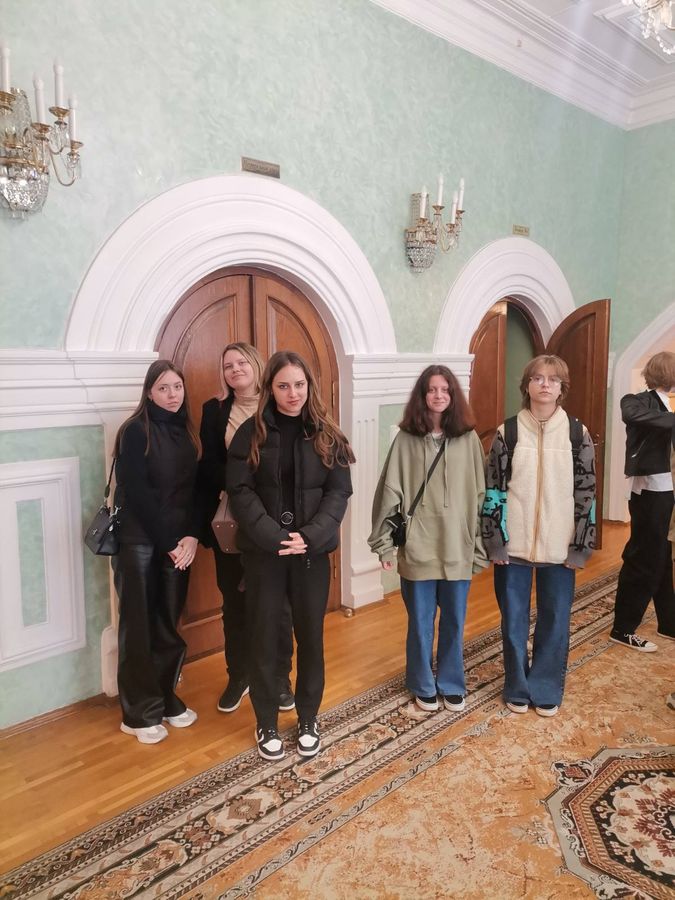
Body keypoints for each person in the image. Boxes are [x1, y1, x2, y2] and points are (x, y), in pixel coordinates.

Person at [227, 350, 354, 761]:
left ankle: (308, 718)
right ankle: (266, 721)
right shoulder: (250, 433)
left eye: (299, 385)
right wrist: (274, 537)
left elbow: (338, 493)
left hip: (309, 555)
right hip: (265, 555)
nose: (292, 393)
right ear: (271, 388)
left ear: (309, 386)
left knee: (311, 639)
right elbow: (240, 492)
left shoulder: (328, 434)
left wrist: (309, 536)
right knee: (264, 638)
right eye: (283, 386)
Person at [481, 354, 596, 717]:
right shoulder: (508, 432)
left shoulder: (577, 433)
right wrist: (495, 541)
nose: (545, 384)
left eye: (553, 379)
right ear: (527, 385)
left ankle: (545, 686)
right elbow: (493, 489)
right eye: (538, 378)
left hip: (560, 546)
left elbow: (587, 493)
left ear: (562, 389)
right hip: (512, 546)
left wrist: (580, 546)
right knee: (513, 621)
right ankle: (517, 686)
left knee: (555, 619)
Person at [369, 365, 488, 713]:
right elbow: (388, 494)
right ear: (422, 396)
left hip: (457, 547)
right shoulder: (405, 441)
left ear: (454, 396)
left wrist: (479, 545)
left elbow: (481, 496)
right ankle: (422, 683)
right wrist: (383, 546)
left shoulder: (468, 439)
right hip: (418, 548)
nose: (438, 395)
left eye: (445, 389)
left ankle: (451, 682)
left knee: (454, 622)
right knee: (420, 624)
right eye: (432, 389)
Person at [199, 342, 294, 714]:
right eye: (228, 365)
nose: (235, 369)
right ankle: (239, 675)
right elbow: (208, 465)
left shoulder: (278, 403)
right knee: (234, 603)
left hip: (274, 520)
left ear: (256, 365)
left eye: (241, 362)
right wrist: (238, 483)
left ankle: (280, 680)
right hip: (232, 522)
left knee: (278, 605)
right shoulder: (214, 410)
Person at [112, 360, 202, 744]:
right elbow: (137, 493)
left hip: (178, 545)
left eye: (177, 386)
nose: (172, 394)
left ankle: (165, 699)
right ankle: (138, 713)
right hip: (140, 542)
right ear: (149, 392)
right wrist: (169, 543)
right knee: (140, 626)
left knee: (168, 623)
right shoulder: (134, 431)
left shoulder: (187, 431)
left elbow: (196, 491)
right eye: (163, 388)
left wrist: (191, 537)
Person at [610, 351, 675, 652]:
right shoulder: (636, 401)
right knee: (643, 558)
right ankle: (623, 628)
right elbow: (631, 415)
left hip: (668, 491)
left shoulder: (667, 406)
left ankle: (668, 622)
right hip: (650, 491)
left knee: (662, 555)